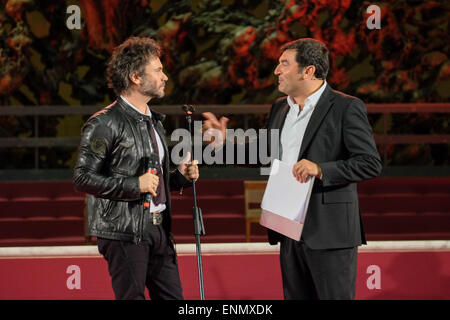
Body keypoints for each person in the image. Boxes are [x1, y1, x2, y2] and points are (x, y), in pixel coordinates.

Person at [202, 38, 382, 300]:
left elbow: (369, 163)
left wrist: (320, 169)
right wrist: (223, 144)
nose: (277, 70)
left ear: (308, 70)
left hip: (329, 232)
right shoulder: (279, 107)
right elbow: (264, 153)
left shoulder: (346, 107)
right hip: (288, 228)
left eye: (284, 63)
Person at [73, 37, 199, 300]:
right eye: (158, 70)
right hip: (123, 231)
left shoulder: (154, 121)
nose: (165, 76)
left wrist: (180, 178)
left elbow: (155, 181)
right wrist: (134, 185)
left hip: (159, 229)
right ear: (136, 78)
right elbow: (83, 178)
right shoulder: (104, 123)